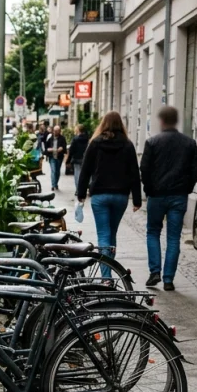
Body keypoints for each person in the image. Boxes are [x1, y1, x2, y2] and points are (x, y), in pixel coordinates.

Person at [140, 105, 197, 291]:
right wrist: (187, 188)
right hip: (178, 195)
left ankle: (154, 272)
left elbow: (145, 169)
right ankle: (168, 279)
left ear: (161, 121)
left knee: (153, 232)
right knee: (174, 237)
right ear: (176, 121)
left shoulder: (152, 142)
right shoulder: (189, 143)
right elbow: (195, 170)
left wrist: (149, 189)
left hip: (157, 196)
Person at [77, 112, 142, 279]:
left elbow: (85, 170)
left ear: (103, 124)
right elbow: (134, 173)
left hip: (100, 195)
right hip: (120, 196)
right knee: (112, 234)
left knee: (103, 235)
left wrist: (81, 194)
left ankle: (106, 278)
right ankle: (109, 270)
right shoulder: (127, 145)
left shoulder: (95, 143)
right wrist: (137, 199)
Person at [64, 124, 89, 190]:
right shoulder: (87, 138)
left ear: (78, 130)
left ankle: (78, 189)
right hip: (85, 159)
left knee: (77, 173)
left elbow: (71, 150)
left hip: (77, 159)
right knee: (84, 174)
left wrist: (68, 161)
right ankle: (83, 188)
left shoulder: (75, 139)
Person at [46, 126, 68, 191]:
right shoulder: (50, 138)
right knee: (53, 170)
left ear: (59, 131)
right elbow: (46, 147)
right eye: (54, 130)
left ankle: (55, 184)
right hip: (52, 156)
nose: (55, 132)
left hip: (59, 157)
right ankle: (53, 185)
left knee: (57, 171)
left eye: (57, 130)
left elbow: (64, 147)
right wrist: (49, 150)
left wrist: (62, 148)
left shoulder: (62, 138)